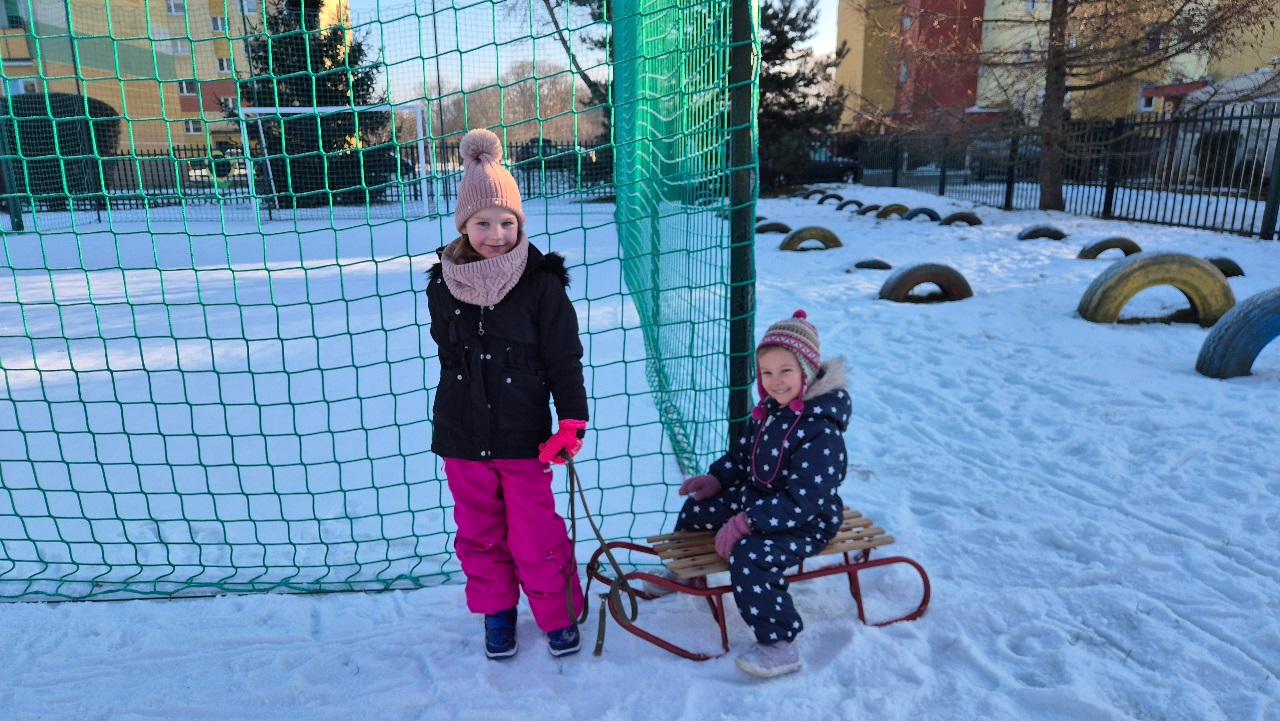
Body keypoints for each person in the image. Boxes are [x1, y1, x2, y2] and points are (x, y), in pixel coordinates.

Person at [427, 128, 588, 660]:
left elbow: (563, 357)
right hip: (461, 436)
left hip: (524, 437)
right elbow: (450, 354)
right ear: (463, 226)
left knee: (535, 534)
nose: (495, 234)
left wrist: (571, 420)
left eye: (507, 222)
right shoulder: (444, 284)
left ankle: (558, 613)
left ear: (520, 223)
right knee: (479, 534)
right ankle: (497, 613)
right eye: (482, 223)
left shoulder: (541, 284)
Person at [672, 310, 850, 678]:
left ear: (807, 371)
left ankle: (780, 644)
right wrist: (716, 479)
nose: (775, 381)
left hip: (807, 520)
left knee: (751, 556)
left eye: (785, 371)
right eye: (766, 373)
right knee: (697, 508)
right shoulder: (769, 412)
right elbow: (742, 457)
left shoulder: (821, 431)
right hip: (758, 502)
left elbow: (804, 499)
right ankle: (682, 575)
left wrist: (747, 522)